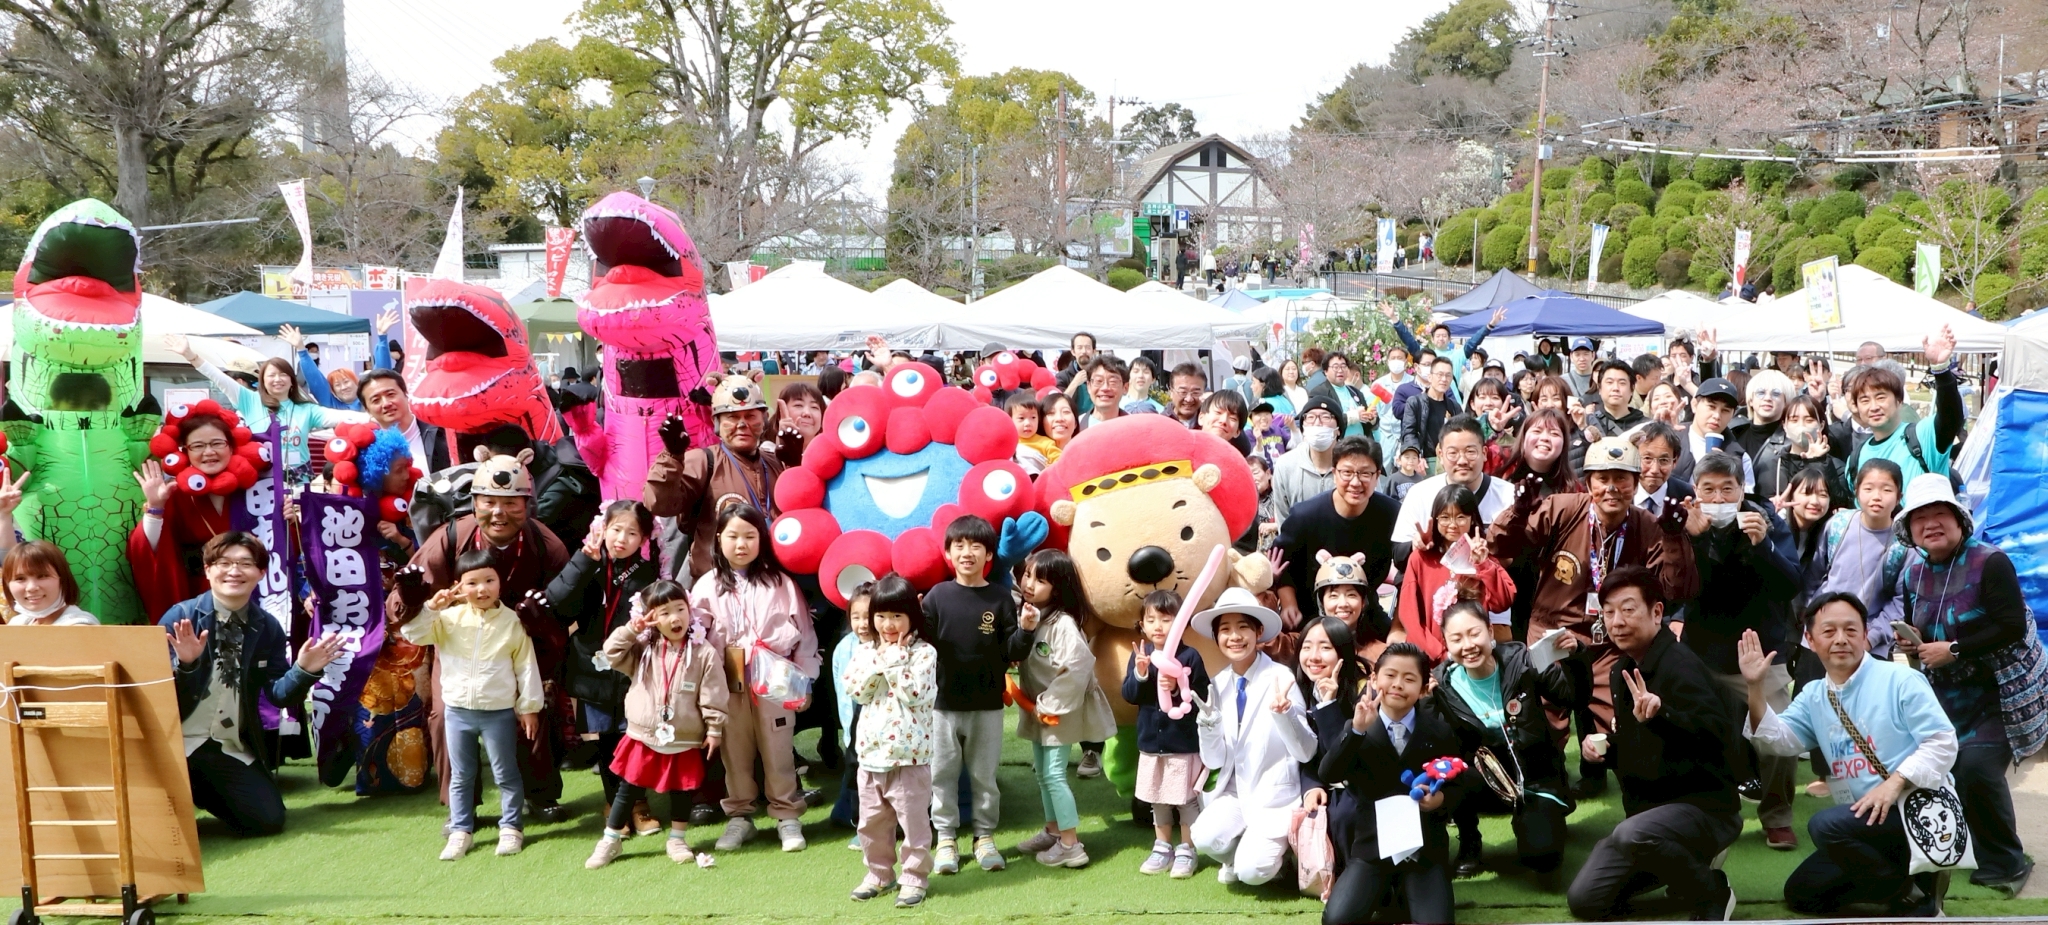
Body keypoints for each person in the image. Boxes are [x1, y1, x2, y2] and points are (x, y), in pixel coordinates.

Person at [1489, 438, 1698, 782]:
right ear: (1588, 483)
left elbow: (1676, 590)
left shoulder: (1648, 525)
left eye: (1622, 479)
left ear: (1635, 483)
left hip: (1613, 639)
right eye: (1603, 479)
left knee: (1616, 718)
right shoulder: (1561, 508)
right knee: (1542, 719)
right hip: (1553, 632)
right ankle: (1546, 787)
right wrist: (1519, 511)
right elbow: (1501, 546)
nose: (1612, 488)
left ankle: (1602, 777)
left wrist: (1675, 538)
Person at [1736, 597, 1957, 917]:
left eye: (1851, 630)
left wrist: (1894, 783)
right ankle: (1904, 881)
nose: (1841, 639)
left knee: (1825, 825)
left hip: (1917, 811)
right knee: (1802, 893)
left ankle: (1910, 895)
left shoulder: (1901, 680)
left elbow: (1942, 742)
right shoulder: (1815, 695)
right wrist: (1755, 686)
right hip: (1867, 823)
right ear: (1810, 640)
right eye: (1829, 631)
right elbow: (1776, 741)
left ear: (1865, 634)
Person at [390, 451, 572, 822]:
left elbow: (570, 613)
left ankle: (540, 794)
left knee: (537, 705)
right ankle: (461, 807)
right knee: (443, 716)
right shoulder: (451, 537)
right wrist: (410, 597)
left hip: (521, 646)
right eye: (488, 502)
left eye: (511, 503)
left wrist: (541, 621)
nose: (499, 513)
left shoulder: (546, 545)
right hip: (458, 650)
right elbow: (400, 608)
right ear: (474, 503)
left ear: (528, 505)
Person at [1565, 566, 1741, 922]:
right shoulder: (1622, 669)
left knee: (1632, 835)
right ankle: (1688, 865)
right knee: (1586, 900)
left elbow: (1719, 739)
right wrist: (1605, 749)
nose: (1617, 622)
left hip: (1706, 810)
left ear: (1657, 612)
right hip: (1648, 820)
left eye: (1628, 609)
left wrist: (1663, 716)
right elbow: (1639, 744)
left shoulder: (1681, 666)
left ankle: (1712, 891)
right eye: (1609, 612)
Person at [1890, 474, 2038, 895]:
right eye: (1920, 518)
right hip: (1941, 694)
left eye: (1940, 514)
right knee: (1940, 768)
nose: (1931, 524)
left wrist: (1954, 650)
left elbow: (2011, 626)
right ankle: (1955, 845)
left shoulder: (1991, 562)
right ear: (1910, 529)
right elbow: (1918, 624)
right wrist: (1912, 641)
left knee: (1976, 768)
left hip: (1999, 692)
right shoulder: (1913, 571)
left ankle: (2006, 861)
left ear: (1959, 520)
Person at [161, 533, 341, 838]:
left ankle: (203, 790)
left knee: (267, 820)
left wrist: (303, 670)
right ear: (208, 569)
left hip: (224, 744)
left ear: (260, 573)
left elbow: (279, 695)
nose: (234, 571)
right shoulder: (182, 616)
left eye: (245, 563)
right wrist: (188, 664)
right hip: (174, 741)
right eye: (224, 563)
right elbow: (154, 693)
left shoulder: (267, 627)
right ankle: (179, 793)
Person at [1681, 451, 1802, 850]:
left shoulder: (1765, 520)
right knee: (1689, 732)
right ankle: (1699, 813)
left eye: (1727, 489)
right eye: (1708, 490)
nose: (1718, 498)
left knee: (1779, 736)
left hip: (1760, 651)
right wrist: (1697, 540)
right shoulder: (1685, 523)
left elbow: (1791, 585)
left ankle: (1777, 815)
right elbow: (1690, 589)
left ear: (1742, 490)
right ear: (1695, 491)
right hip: (1703, 651)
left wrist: (1764, 545)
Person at [401, 548, 544, 860]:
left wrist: (529, 707)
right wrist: (431, 607)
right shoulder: (448, 618)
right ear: (459, 587)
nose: (482, 589)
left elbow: (526, 666)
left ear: (500, 582)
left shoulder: (512, 621)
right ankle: (460, 830)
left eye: (489, 580)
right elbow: (413, 634)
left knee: (505, 773)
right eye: (472, 583)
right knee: (461, 775)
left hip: (498, 712)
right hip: (457, 712)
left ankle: (511, 828)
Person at [689, 503, 816, 853]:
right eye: (733, 536)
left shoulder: (781, 583)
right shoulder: (706, 586)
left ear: (762, 539)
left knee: (778, 750)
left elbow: (805, 634)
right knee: (735, 751)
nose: (741, 544)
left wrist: (804, 681)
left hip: (775, 680)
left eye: (750, 536)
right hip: (728, 681)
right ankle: (740, 816)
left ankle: (787, 815)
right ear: (719, 538)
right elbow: (696, 640)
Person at [1319, 642, 1466, 925]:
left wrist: (1440, 800)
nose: (1398, 684)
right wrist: (1357, 731)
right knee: (1337, 920)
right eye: (1390, 675)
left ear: (1423, 688)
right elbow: (1329, 773)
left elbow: (1460, 786)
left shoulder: (1438, 730)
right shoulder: (1358, 726)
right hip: (1372, 851)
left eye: (1409, 678)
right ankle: (1388, 893)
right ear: (1374, 680)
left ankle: (1401, 895)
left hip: (1424, 852)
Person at [582, 577, 724, 869]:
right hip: (644, 733)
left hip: (684, 734)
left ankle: (677, 839)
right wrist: (632, 630)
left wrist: (714, 727)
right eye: (664, 613)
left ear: (690, 610)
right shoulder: (643, 647)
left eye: (680, 609)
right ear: (650, 618)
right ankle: (610, 840)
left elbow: (713, 693)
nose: (675, 618)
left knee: (682, 789)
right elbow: (611, 653)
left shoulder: (703, 651)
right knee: (629, 787)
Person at [1433, 601, 1576, 880]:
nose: (1468, 645)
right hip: (1486, 781)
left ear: (1490, 631)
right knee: (1447, 771)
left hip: (1535, 779)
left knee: (1543, 857)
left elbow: (1571, 696)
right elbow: (1437, 742)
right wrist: (1427, 702)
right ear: (1446, 644)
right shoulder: (1442, 686)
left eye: (1474, 633)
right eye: (1457, 639)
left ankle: (1542, 816)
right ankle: (1470, 840)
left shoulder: (1522, 661)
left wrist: (1574, 658)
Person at [1189, 588, 1317, 887]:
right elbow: (1214, 760)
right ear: (1216, 637)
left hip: (1273, 796)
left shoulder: (1281, 678)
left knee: (1251, 873)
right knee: (1203, 837)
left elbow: (1306, 751)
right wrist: (1208, 725)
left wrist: (1285, 714)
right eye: (1225, 629)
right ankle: (1239, 855)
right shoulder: (1217, 684)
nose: (1234, 637)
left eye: (1243, 627)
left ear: (1259, 632)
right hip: (1234, 793)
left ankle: (1277, 861)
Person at [923, 515, 1029, 874]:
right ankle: (946, 839)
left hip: (987, 704)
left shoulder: (1000, 597)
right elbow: (922, 647)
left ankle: (984, 837)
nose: (967, 552)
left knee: (985, 776)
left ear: (988, 555)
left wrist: (1028, 630)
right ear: (948, 553)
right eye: (959, 545)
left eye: (976, 546)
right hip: (942, 706)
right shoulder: (937, 597)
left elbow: (1012, 650)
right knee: (942, 775)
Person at [545, 501, 659, 818]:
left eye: (632, 533)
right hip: (590, 666)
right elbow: (557, 605)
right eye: (616, 529)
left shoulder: (648, 573)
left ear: (643, 539)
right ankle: (614, 803)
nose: (621, 538)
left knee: (635, 737)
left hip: (631, 669)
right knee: (606, 740)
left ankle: (638, 804)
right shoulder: (588, 563)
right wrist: (583, 562)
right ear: (603, 528)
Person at [1012, 549, 1118, 868]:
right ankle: (1054, 830)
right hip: (1040, 708)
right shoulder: (1034, 615)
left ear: (1057, 588)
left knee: (1054, 775)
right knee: (1043, 774)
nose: (1029, 584)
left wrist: (1050, 704)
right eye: (1027, 575)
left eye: (1040, 580)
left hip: (1057, 710)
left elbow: (1078, 665)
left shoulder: (1064, 623)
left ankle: (1071, 845)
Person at [842, 573, 940, 907]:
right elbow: (857, 690)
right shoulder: (865, 651)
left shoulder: (924, 653)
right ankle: (879, 874)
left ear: (912, 615)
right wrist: (880, 661)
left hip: (909, 757)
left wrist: (895, 660)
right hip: (871, 756)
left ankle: (914, 878)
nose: (888, 624)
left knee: (914, 823)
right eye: (881, 616)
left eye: (897, 615)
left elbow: (914, 693)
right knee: (870, 824)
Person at [644, 375, 791, 580]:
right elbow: (660, 504)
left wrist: (794, 464)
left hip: (772, 584)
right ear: (717, 423)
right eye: (732, 417)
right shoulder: (703, 461)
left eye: (750, 416)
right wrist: (671, 457)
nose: (742, 424)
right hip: (718, 586)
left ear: (764, 419)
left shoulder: (776, 461)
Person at [164, 333, 371, 477]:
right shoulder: (249, 400)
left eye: (283, 375)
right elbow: (218, 377)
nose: (277, 379)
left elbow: (344, 417)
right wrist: (190, 355)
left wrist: (377, 417)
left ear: (292, 381)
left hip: (299, 480)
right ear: (263, 380)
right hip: (261, 480)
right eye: (271, 375)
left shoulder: (307, 409)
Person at [1272, 436, 1399, 637]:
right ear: (1334, 473)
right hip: (1308, 612)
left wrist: (1398, 627)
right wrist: (1289, 604)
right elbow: (1281, 564)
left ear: (1377, 476)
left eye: (1365, 473)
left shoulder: (1391, 514)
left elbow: (1408, 568)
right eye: (1347, 472)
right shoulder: (1305, 516)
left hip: (1363, 609)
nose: (1355, 482)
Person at [1126, 589, 1208, 879]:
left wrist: (1177, 687)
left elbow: (1202, 698)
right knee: (1157, 798)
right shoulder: (1142, 656)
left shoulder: (1190, 656)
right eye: (1151, 620)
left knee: (1185, 800)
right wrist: (1140, 673)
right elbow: (1129, 695)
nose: (1158, 626)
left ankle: (1187, 848)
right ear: (1142, 625)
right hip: (1151, 744)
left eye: (1166, 619)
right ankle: (1162, 846)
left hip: (1182, 744)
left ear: (1180, 622)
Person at [1397, 485, 1518, 656]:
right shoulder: (1420, 558)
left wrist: (1483, 565)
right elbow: (1409, 615)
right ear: (1436, 519)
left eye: (1461, 517)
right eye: (1445, 517)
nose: (1452, 524)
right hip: (1431, 660)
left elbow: (1503, 601)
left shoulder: (1482, 556)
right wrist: (1439, 654)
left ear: (1472, 519)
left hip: (1473, 654)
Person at [1843, 326, 1963, 484]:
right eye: (1865, 400)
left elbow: (1950, 417)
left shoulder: (1922, 436)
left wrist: (1940, 369)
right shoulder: (1855, 459)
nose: (1874, 406)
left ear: (1899, 400)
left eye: (1880, 397)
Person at [1816, 459, 1908, 658]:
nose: (1877, 497)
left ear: (1899, 496)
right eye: (1868, 488)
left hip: (1867, 642)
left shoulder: (1903, 545)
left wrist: (1871, 638)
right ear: (1856, 491)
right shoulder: (1838, 525)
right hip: (1822, 633)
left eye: (1886, 490)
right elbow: (1815, 573)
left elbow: (1900, 601)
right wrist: (1811, 617)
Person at [1392, 416, 1517, 551]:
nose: (1462, 461)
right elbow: (1398, 551)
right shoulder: (1419, 494)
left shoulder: (1509, 495)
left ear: (1484, 453)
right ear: (1440, 455)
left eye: (1470, 452)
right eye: (1453, 453)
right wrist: (1417, 545)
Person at [358, 369, 455, 474]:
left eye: (390, 394)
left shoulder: (443, 430)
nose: (386, 404)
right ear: (367, 409)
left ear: (405, 394)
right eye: (376, 400)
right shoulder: (368, 451)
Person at [1673, 378, 1753, 490]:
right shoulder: (1672, 439)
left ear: (1733, 415)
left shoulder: (1740, 457)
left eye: (1725, 410)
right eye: (1711, 407)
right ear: (1694, 405)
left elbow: (1746, 495)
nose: (1717, 416)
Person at [1272, 396, 1343, 512]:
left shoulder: (1353, 465)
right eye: (1310, 417)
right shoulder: (1285, 465)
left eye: (1326, 417)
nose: (1317, 423)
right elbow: (1282, 515)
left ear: (1338, 429)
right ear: (1303, 428)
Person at [4, 541, 96, 625]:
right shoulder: (16, 623)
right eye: (20, 578)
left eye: (42, 576)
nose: (31, 587)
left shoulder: (79, 627)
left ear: (63, 579)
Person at [1402, 356, 1458, 470]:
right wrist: (1416, 455)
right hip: (1424, 462)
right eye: (1440, 374)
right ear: (1430, 377)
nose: (1444, 379)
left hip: (1448, 462)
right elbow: (1409, 433)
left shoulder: (1454, 406)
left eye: (1448, 375)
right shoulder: (1415, 402)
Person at [1311, 352, 1378, 440]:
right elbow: (1323, 422)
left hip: (1362, 443)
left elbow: (1369, 426)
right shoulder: (1319, 393)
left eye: (1343, 366)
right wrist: (1353, 416)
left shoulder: (1356, 392)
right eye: (1335, 367)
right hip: (1338, 444)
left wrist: (1371, 417)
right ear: (1326, 371)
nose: (1340, 370)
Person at [1585, 359, 1646, 440]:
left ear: (1632, 389)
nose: (1615, 388)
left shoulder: (1645, 426)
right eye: (1609, 382)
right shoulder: (1589, 422)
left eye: (1622, 383)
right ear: (1599, 388)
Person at [1007, 393, 1060, 476]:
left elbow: (1060, 460)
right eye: (1021, 418)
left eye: (1033, 417)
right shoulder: (1007, 444)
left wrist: (1051, 468)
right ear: (1009, 419)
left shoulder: (1046, 443)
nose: (1028, 423)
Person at [1078, 355, 1130, 430]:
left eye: (1113, 382)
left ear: (1125, 388)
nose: (1105, 388)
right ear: (1089, 386)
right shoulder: (1075, 426)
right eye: (1098, 381)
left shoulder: (1134, 426)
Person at [1039, 391, 1080, 456]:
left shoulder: (1086, 454)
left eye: (1066, 412)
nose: (1059, 418)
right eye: (1051, 413)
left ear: (1075, 422)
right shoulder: (1031, 457)